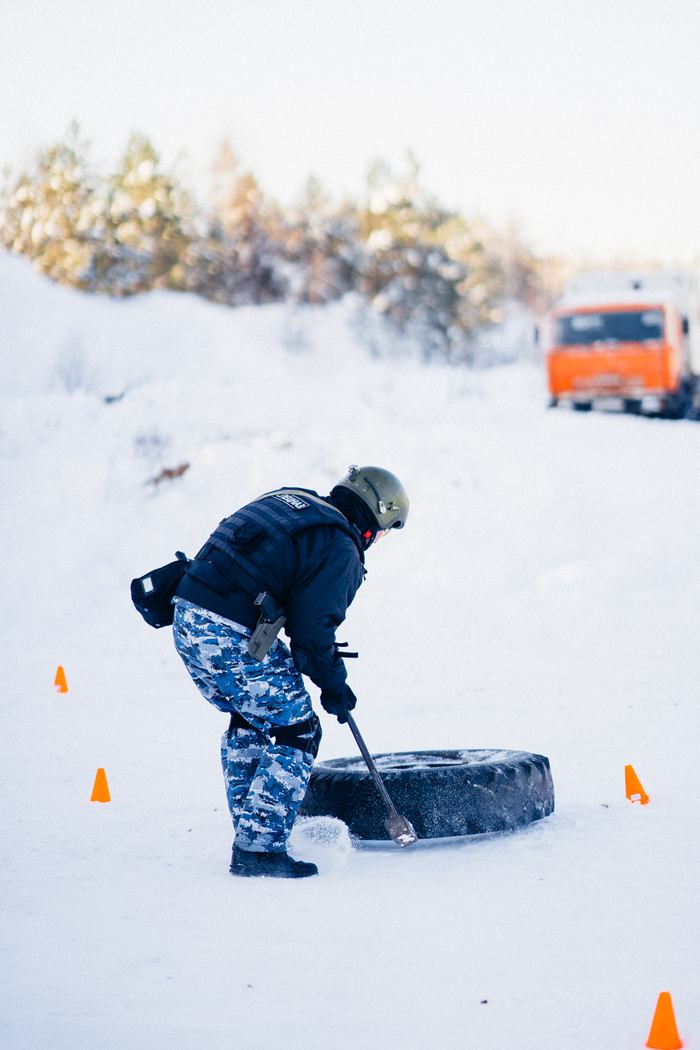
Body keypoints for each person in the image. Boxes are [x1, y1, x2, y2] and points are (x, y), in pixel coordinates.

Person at [171, 465, 409, 879]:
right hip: (229, 631)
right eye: (385, 531)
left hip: (188, 617)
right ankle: (258, 849)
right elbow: (312, 631)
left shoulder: (294, 501)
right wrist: (334, 686)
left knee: (251, 718)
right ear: (375, 520)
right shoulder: (341, 546)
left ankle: (253, 832)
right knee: (297, 729)